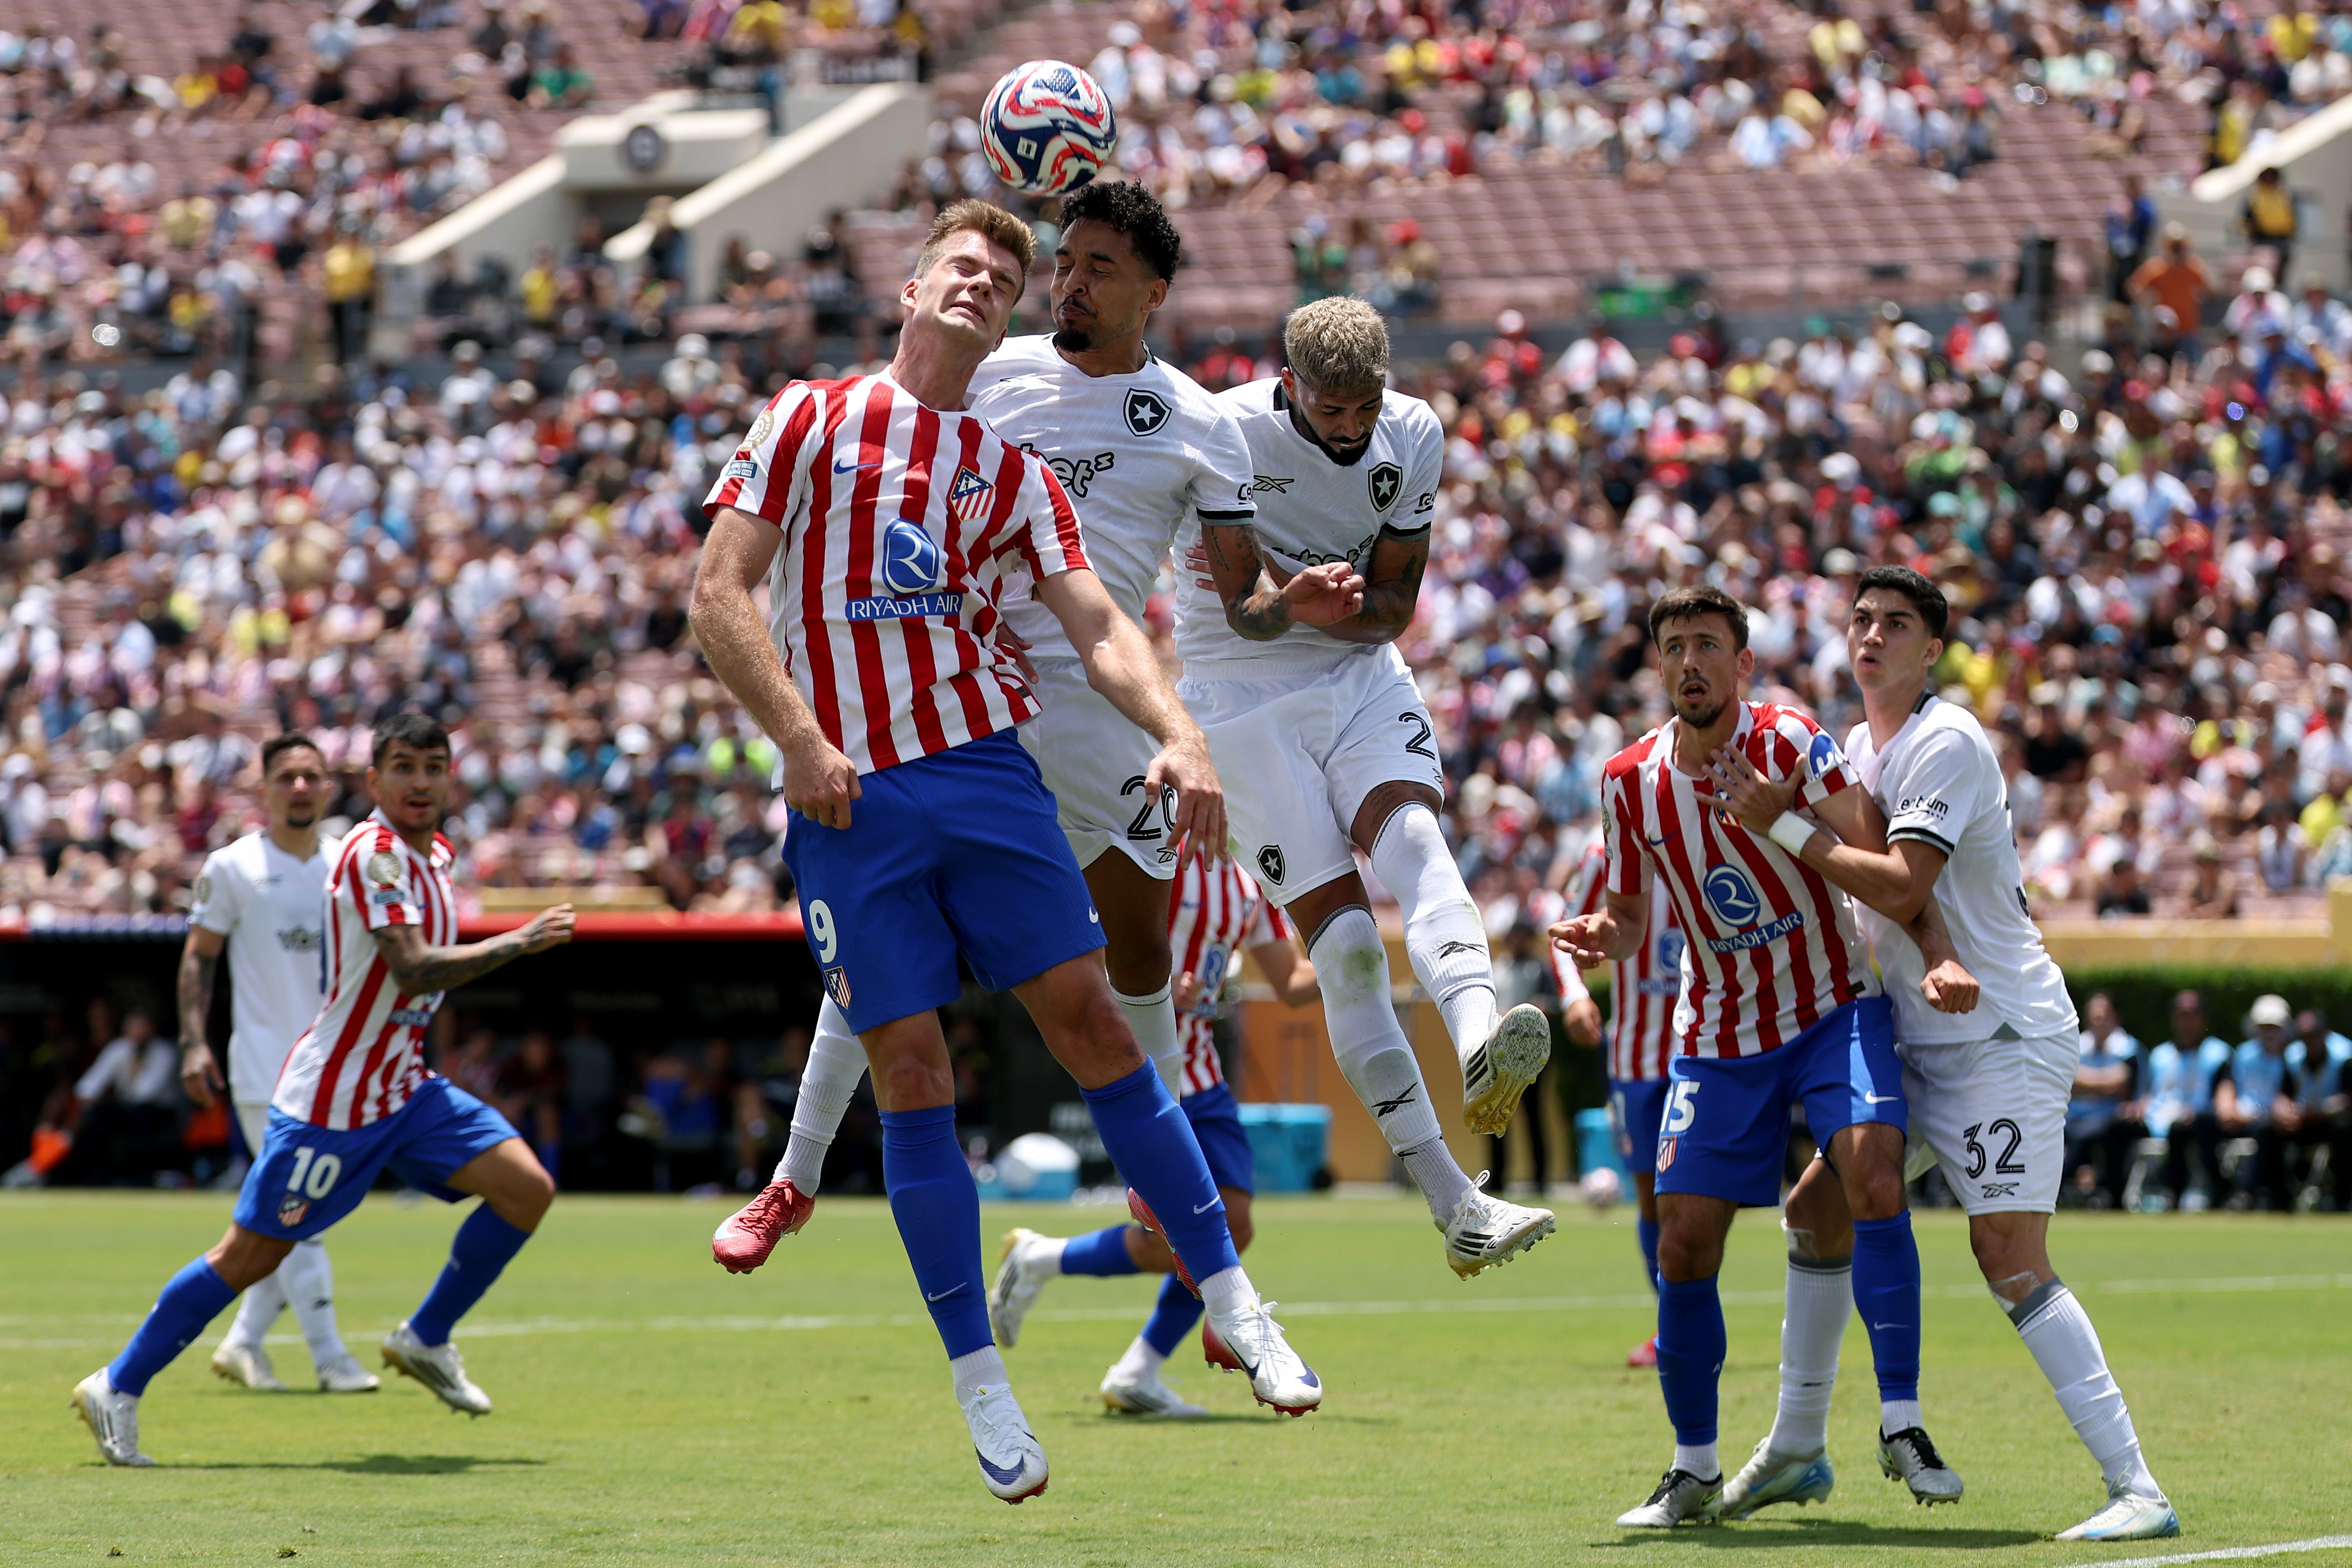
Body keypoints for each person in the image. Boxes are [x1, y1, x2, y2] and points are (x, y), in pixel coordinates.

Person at [686, 199, 1322, 1505]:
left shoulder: (1009, 469)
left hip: (985, 769)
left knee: (1095, 1019)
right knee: (910, 1070)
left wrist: (1180, 732)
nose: (983, 281)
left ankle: (1238, 1300)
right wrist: (800, 739)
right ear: (913, 287)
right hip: (849, 794)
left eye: (1004, 274)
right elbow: (718, 592)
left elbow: (1097, 624)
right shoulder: (808, 417)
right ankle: (983, 1381)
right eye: (963, 265)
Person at [737, 180, 1286, 1256]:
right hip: (968, 704)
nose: (1071, 283)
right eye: (1064, 263)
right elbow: (909, 419)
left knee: (1136, 947)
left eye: (1098, 268)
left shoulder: (1198, 419)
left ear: (1155, 293)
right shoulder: (994, 372)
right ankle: (795, 1171)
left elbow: (1232, 594)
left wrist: (1284, 608)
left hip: (1097, 708)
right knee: (887, 936)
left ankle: (1165, 1193)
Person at [1708, 567, 2176, 1541]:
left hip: (1999, 1037)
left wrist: (1782, 822)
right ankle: (1797, 1444)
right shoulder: (1854, 749)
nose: (1871, 634)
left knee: (2006, 1252)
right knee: (1817, 1204)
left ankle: (2137, 1487)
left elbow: (1899, 879)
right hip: (1918, 1036)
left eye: (1897, 623)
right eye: (1861, 619)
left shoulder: (1946, 741)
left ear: (1932, 650)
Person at [1551, 584, 1971, 1528]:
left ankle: (1899, 1419)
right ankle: (1692, 1466)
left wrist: (1938, 948)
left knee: (1870, 1168)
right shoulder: (1629, 779)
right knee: (1681, 1239)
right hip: (1719, 1037)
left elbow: (1883, 864)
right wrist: (1601, 935)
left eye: (1708, 645)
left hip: (1832, 1010)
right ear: (1657, 666)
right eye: (1673, 647)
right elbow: (1627, 918)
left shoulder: (1792, 740)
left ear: (1743, 664)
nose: (1689, 662)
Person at [73, 715, 578, 1467]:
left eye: (432, 767)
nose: (419, 781)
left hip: (403, 1086)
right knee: (249, 1256)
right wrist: (521, 940)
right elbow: (411, 967)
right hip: (334, 1102)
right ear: (373, 783)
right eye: (402, 767)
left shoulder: (434, 854)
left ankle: (426, 1337)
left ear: (449, 779)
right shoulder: (373, 857)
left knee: (526, 1189)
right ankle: (117, 1383)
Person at [1177, 295, 1559, 1278]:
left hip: (1354, 678)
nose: (1349, 427)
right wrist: (1296, 599)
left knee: (1419, 845)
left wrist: (1319, 609)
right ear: (1289, 383)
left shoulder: (1413, 433)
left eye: (1363, 406)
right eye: (1329, 408)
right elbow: (1244, 612)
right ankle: (1454, 1203)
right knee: (1346, 952)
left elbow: (1391, 608)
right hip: (1239, 699)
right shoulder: (1225, 430)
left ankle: (1480, 1041)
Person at [986, 855, 1318, 1417]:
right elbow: (1094, 942)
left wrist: (1354, 957)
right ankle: (1058, 1277)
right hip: (1147, 1077)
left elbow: (1288, 979)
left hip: (1204, 1077)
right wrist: (1151, 984)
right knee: (1188, 1232)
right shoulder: (1152, 851)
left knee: (1228, 1227)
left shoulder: (1246, 881)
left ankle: (1107, 1335)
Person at [180, 733, 378, 1395]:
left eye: (311, 776)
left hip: (340, 1068)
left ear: (329, 787)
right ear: (262, 788)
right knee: (300, 1213)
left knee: (288, 1217)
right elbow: (198, 956)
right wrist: (191, 1041)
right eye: (286, 776)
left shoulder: (347, 860)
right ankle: (330, 1359)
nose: (299, 787)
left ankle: (242, 1343)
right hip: (267, 1067)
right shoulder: (232, 867)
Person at [1555, 833, 1678, 1368]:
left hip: (1714, 1043)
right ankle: (1672, 1327)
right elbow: (1563, 933)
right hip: (1638, 1055)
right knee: (1653, 1197)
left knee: (1694, 1201)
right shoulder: (1602, 850)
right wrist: (1576, 995)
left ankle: (1686, 1322)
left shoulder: (1715, 820)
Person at [2138, 991, 2233, 1208]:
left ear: (2203, 1019)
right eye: (2181, 1015)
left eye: (2191, 1015)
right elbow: (2150, 1094)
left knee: (2186, 1128)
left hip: (2202, 1120)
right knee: (2116, 1127)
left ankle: (2178, 1194)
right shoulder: (2160, 1055)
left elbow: (2224, 1094)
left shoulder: (2218, 1054)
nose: (2186, 1022)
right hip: (2160, 1121)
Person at [2216, 995, 2302, 1211]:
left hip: (2274, 1124)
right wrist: (2227, 1109)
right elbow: (2228, 1087)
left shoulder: (2293, 1059)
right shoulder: (2243, 1055)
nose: (2269, 1033)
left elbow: (2289, 1099)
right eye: (2264, 1027)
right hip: (2243, 1118)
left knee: (2267, 1132)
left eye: (2274, 1027)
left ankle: (2248, 1193)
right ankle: (2217, 1191)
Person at [2068, 993, 2145, 1208]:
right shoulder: (2078, 1045)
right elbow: (2066, 1082)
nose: (2098, 1020)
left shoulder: (2129, 1048)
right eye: (2094, 1015)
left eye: (2103, 1015)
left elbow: (2119, 1083)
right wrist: (2104, 1082)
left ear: (2115, 1017)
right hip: (2074, 1119)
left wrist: (2081, 1081)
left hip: (2110, 1120)